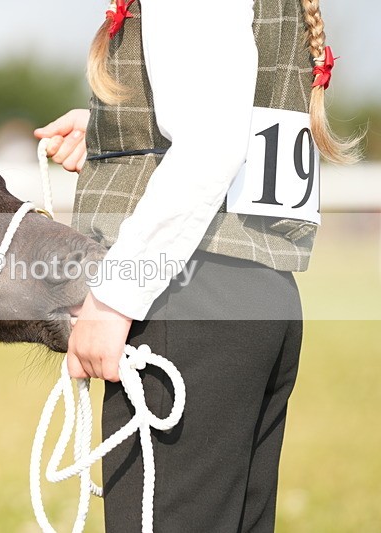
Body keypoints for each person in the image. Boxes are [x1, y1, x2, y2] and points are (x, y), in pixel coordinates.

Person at [35, 0, 359, 531]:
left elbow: (211, 142)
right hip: (254, 291)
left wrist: (113, 299)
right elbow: (227, 104)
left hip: (184, 297)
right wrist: (112, 130)